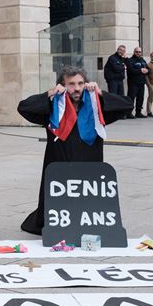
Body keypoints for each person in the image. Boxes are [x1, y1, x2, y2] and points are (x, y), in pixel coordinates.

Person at [17, 66, 132, 236]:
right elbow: (24, 107)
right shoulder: (53, 108)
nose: (77, 88)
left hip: (89, 167)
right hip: (59, 167)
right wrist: (50, 93)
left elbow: (127, 105)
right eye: (71, 84)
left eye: (80, 83)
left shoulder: (96, 107)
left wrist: (101, 93)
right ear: (62, 86)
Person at [126, 46, 149, 118]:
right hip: (133, 83)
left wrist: (147, 71)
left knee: (140, 98)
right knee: (131, 98)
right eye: (137, 52)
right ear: (134, 52)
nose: (138, 53)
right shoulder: (130, 60)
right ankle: (128, 113)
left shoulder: (142, 60)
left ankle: (138, 113)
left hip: (141, 83)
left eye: (139, 52)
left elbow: (148, 69)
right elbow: (131, 70)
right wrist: (140, 70)